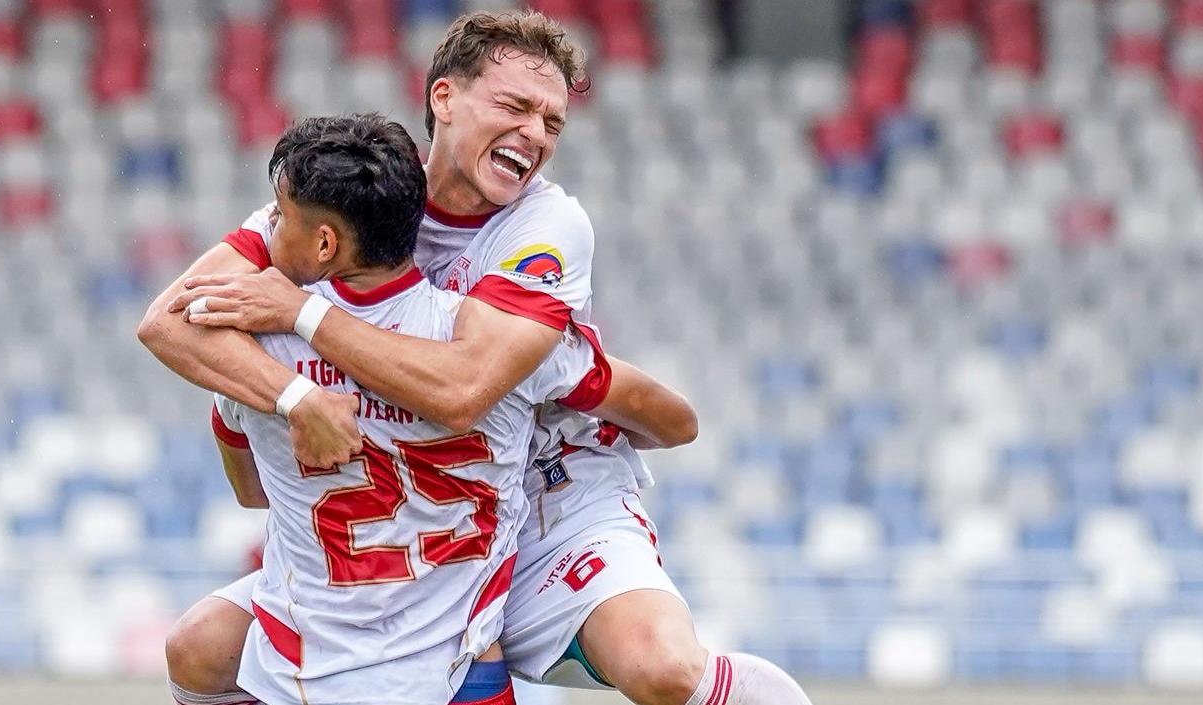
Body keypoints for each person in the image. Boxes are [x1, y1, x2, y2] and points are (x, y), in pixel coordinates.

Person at [140, 11, 810, 705]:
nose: (534, 134)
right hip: (424, 522)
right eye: (514, 106)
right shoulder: (346, 198)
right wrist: (296, 397)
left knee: (661, 666)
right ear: (443, 98)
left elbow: (464, 388)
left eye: (552, 123)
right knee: (199, 648)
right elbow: (168, 319)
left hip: (549, 498)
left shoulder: (544, 227)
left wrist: (302, 312)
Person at [170, 112, 699, 705]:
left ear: (324, 244)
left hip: (309, 671)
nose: (268, 225)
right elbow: (675, 421)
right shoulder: (495, 348)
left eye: (278, 213)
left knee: (193, 651)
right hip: (457, 673)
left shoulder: (254, 351)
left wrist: (306, 410)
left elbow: (248, 488)